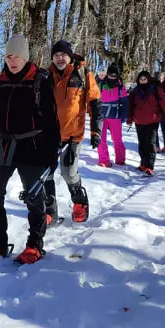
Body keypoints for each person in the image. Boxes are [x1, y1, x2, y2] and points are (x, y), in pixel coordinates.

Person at [0, 34, 60, 268]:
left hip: (32, 149)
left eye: (17, 56)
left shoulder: (40, 81)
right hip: (1, 147)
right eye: (9, 56)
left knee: (34, 198)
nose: (12, 61)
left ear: (26, 57)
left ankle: (35, 244)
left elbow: (52, 120)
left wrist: (52, 152)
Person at [42, 40, 101, 224]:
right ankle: (49, 212)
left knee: (69, 173)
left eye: (63, 55)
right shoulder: (45, 76)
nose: (60, 58)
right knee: (46, 174)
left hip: (73, 135)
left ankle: (79, 202)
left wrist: (96, 131)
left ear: (70, 56)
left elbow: (95, 103)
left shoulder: (82, 75)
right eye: (56, 55)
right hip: (48, 135)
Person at [127, 70, 165, 176]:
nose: (143, 81)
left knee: (150, 144)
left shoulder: (155, 90)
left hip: (152, 121)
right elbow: (130, 106)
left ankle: (149, 166)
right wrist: (130, 119)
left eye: (144, 79)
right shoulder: (135, 91)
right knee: (142, 144)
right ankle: (143, 163)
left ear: (148, 79)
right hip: (139, 121)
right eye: (141, 79)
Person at [96, 63, 128, 167]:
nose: (112, 78)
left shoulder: (120, 87)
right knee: (101, 139)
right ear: (107, 74)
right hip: (102, 117)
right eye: (110, 75)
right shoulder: (100, 85)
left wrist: (124, 116)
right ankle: (104, 160)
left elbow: (125, 103)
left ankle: (120, 160)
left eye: (115, 76)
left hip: (115, 117)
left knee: (117, 140)